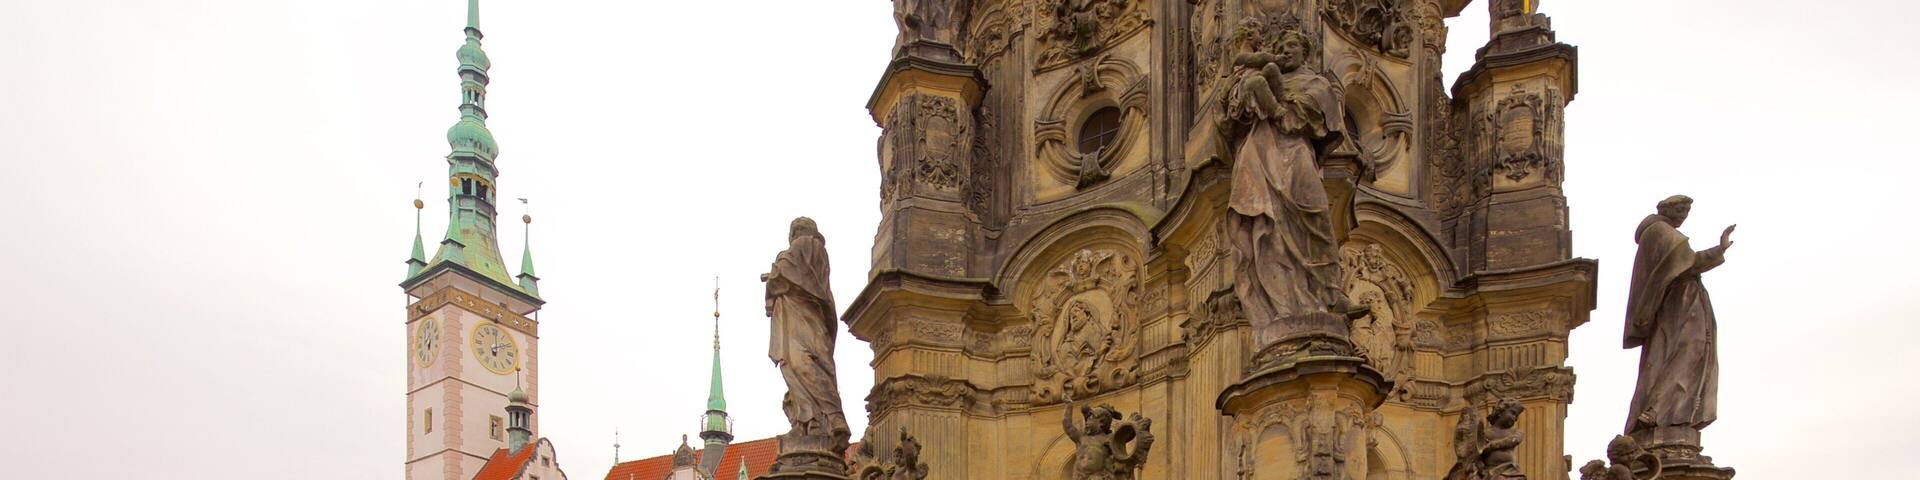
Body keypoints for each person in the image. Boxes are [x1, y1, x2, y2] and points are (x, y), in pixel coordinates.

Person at [1622, 195, 1734, 436]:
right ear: (1668, 210)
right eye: (1681, 210)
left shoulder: (1656, 232)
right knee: (1688, 350)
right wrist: (1720, 249)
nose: (1684, 216)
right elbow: (1690, 263)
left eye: (1687, 212)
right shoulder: (1661, 232)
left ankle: (1664, 411)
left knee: (1674, 353)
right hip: (1681, 302)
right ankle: (1657, 410)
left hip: (1675, 302)